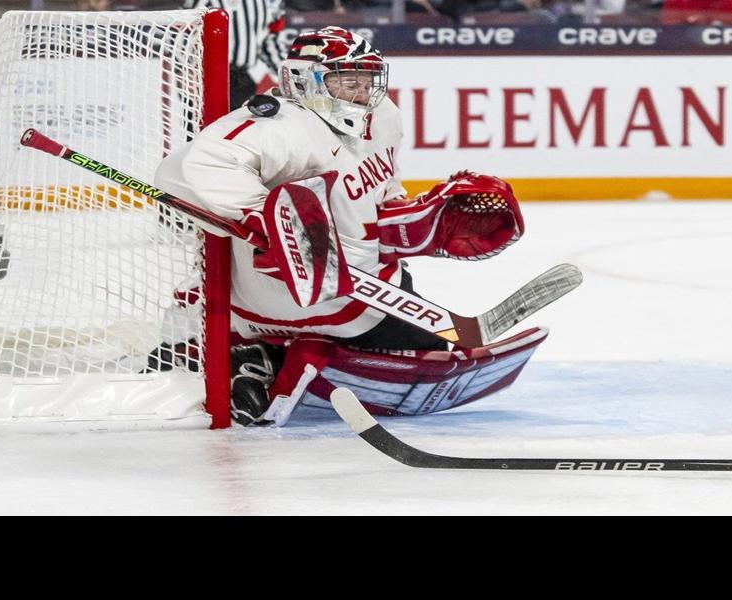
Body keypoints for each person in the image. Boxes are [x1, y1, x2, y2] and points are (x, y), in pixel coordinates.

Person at [156, 27, 528, 426]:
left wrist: (410, 220)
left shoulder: (383, 115)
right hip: (291, 291)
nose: (362, 93)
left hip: (366, 282)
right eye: (348, 82)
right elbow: (189, 167)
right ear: (305, 80)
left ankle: (259, 354)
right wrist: (259, 213)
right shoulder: (281, 126)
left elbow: (382, 186)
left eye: (367, 81)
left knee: (428, 339)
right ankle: (283, 350)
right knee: (427, 346)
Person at [186, 0, 289, 109]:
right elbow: (184, 33)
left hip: (243, 78)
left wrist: (286, 74)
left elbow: (271, 40)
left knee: (239, 118)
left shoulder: (271, 2)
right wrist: (187, 74)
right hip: (206, 77)